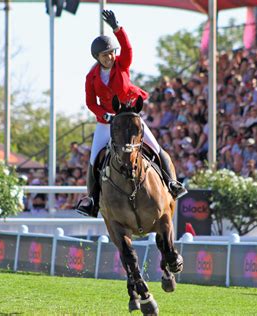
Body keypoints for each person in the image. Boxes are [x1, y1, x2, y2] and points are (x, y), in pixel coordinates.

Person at [75, 10, 187, 217]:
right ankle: (92, 200)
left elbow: (127, 47)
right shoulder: (91, 77)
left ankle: (172, 183)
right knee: (94, 159)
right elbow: (91, 103)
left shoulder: (122, 63)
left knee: (155, 147)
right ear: (97, 57)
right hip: (107, 121)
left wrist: (117, 28)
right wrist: (105, 115)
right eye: (105, 55)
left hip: (128, 117)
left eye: (111, 53)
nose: (110, 57)